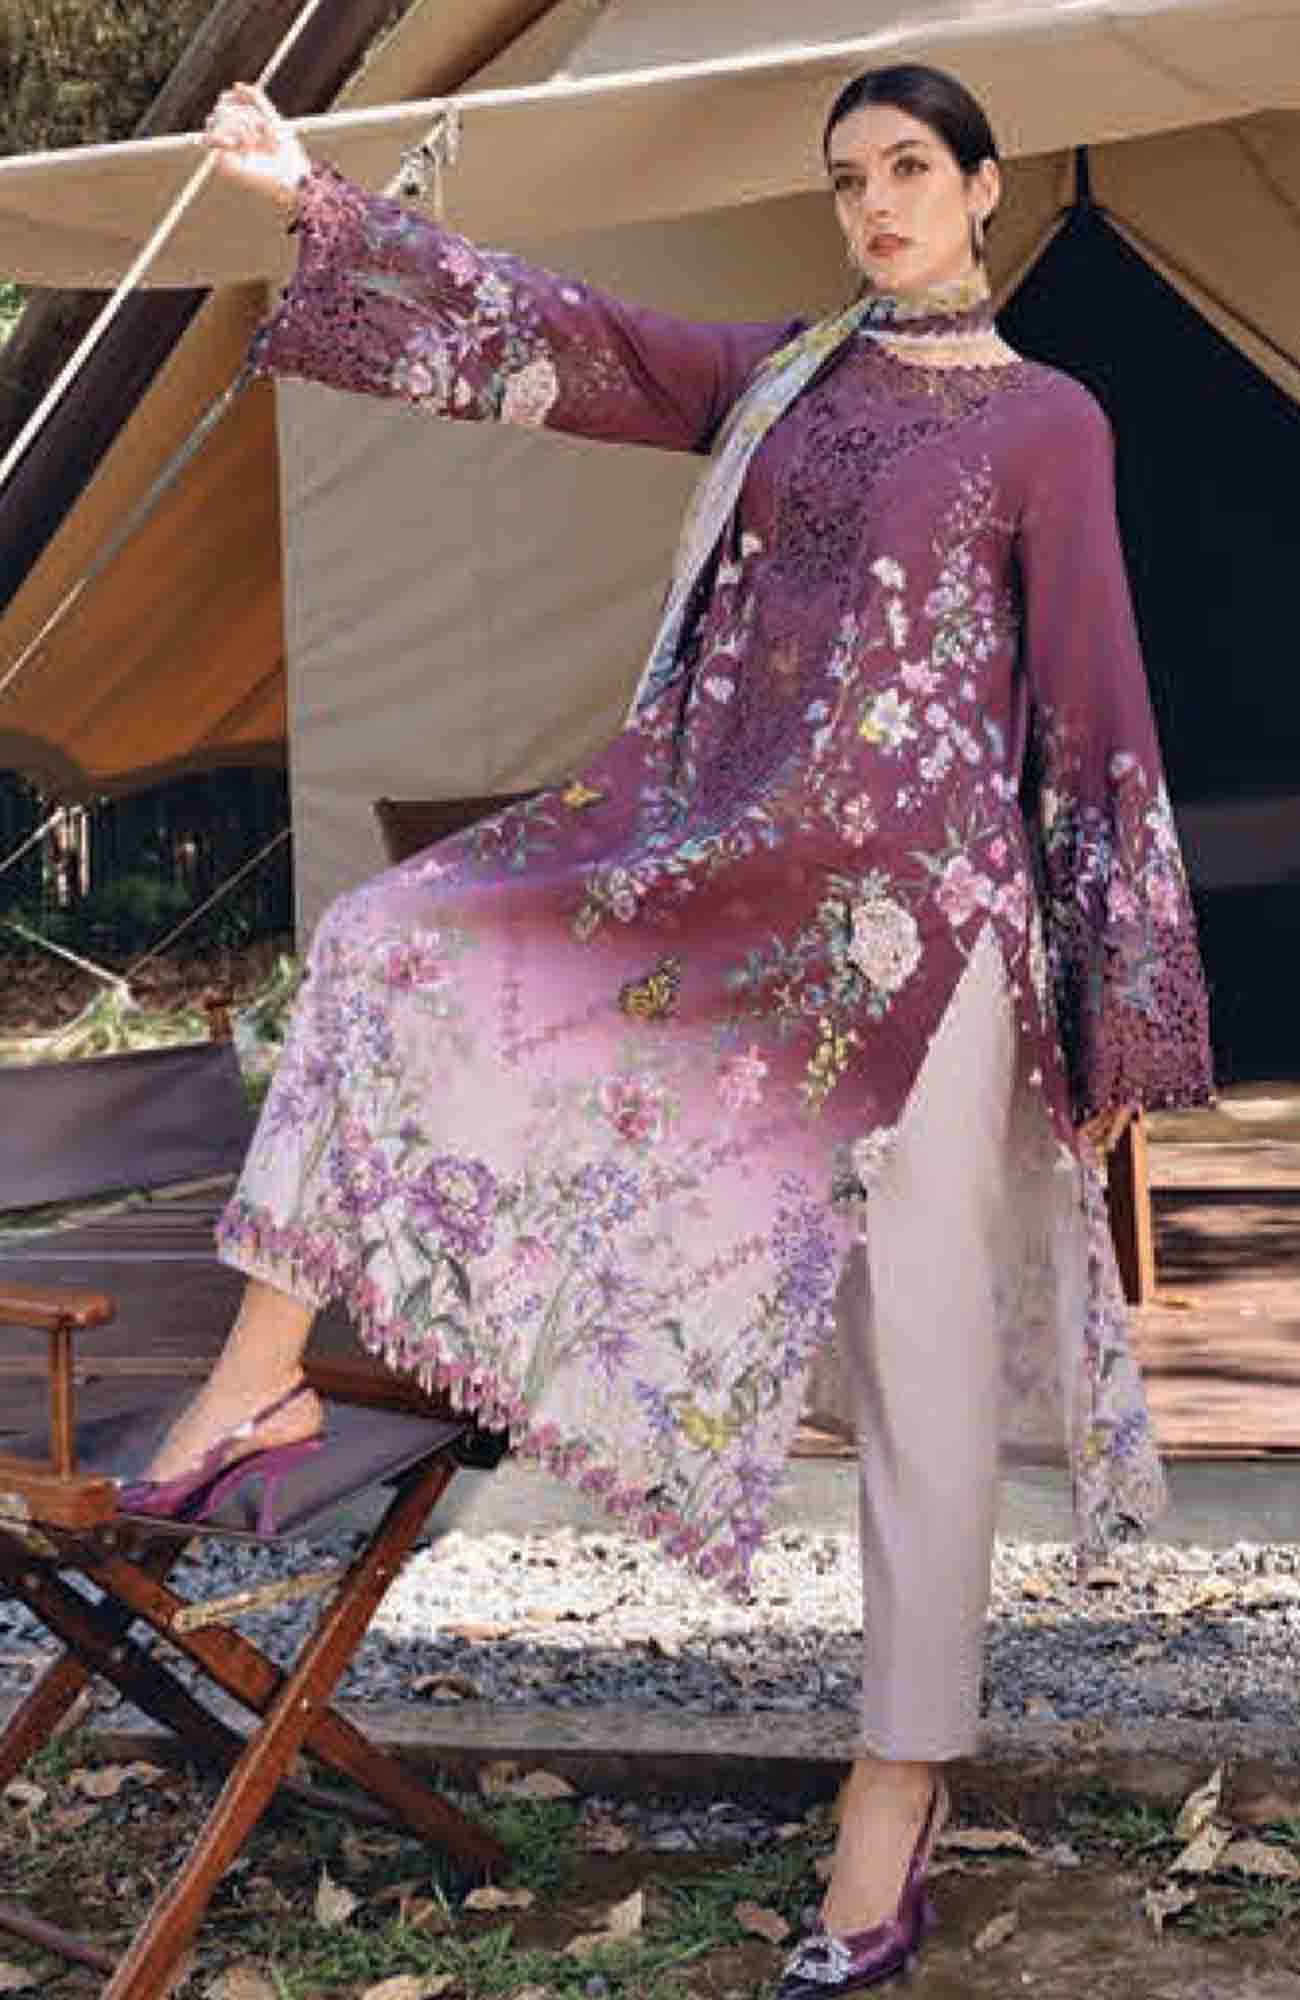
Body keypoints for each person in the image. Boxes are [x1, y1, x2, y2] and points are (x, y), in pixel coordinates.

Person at [122, 63, 1213, 1994]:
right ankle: (261, 1372)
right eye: (848, 178)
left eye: (910, 171)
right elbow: (569, 336)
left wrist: (1117, 1016)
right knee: (389, 939)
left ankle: (897, 1784)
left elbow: (1092, 701)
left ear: (984, 189)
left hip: (931, 948)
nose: (876, 206)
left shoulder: (1050, 421)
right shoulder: (786, 376)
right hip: (732, 890)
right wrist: (314, 203)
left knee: (925, 1369)